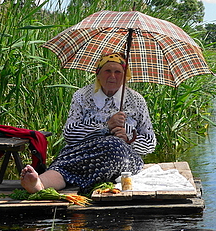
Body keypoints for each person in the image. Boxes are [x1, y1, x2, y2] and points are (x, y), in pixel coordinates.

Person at [21, 52, 157, 194]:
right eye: (107, 71)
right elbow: (70, 134)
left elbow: (150, 142)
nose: (112, 76)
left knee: (114, 146)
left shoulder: (137, 100)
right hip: (83, 153)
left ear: (125, 75)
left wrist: (128, 139)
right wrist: (105, 128)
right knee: (69, 161)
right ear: (98, 74)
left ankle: (45, 182)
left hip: (123, 156)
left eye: (118, 72)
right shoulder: (82, 96)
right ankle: (39, 184)